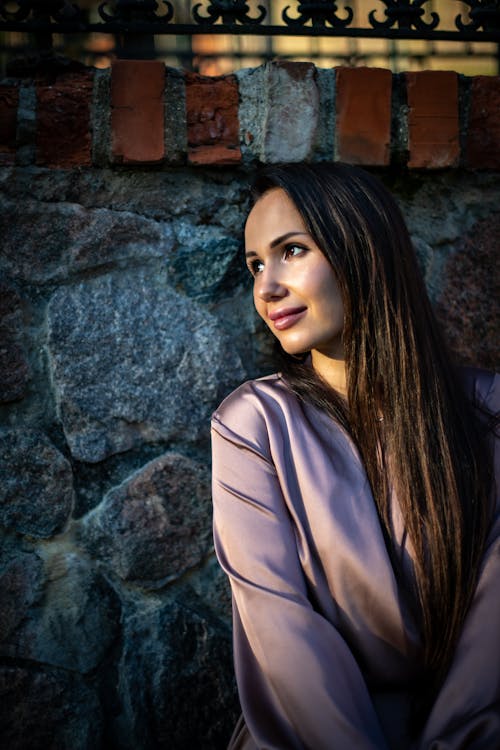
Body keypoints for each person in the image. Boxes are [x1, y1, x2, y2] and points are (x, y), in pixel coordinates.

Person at [210, 163, 499, 750]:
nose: (266, 288)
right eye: (256, 265)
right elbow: (281, 627)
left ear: (363, 249)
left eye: (291, 250)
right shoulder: (254, 425)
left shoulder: (489, 412)